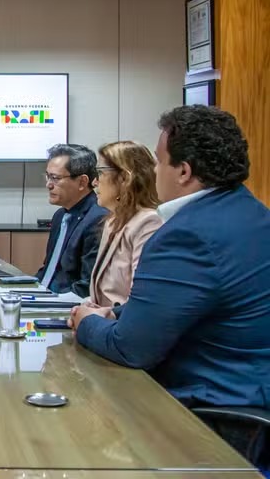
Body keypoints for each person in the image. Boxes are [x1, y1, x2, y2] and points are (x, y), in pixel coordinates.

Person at [71, 106, 270, 413]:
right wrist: (120, 315)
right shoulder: (253, 214)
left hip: (211, 411)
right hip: (252, 393)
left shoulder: (187, 235)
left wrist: (87, 322)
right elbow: (186, 305)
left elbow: (131, 348)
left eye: (159, 162)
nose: (153, 172)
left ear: (184, 171)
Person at [86, 141, 162, 307]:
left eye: (100, 173)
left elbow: (141, 298)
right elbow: (102, 295)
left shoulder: (148, 223)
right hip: (102, 323)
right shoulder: (113, 220)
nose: (94, 183)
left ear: (124, 178)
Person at [36, 144, 108, 295]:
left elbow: (86, 285)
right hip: (44, 297)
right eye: (48, 176)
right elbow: (49, 269)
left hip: (65, 306)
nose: (48, 185)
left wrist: (47, 302)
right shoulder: (60, 216)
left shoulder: (98, 219)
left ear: (82, 182)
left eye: (55, 178)